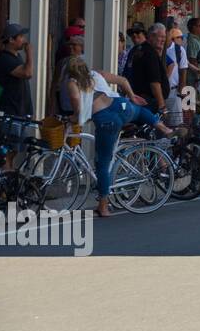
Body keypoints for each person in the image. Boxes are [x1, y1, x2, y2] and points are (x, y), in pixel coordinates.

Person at [64, 56, 173, 217]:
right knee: (138, 111)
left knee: (102, 163)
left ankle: (103, 206)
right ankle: (163, 127)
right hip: (120, 105)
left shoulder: (73, 83)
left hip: (106, 119)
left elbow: (77, 106)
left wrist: (73, 118)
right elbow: (122, 80)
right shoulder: (96, 74)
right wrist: (132, 95)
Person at [125, 22, 168, 116]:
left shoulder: (138, 51)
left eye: (164, 37)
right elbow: (154, 82)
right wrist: (162, 106)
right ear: (150, 36)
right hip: (147, 102)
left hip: (138, 100)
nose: (163, 40)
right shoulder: (148, 52)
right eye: (160, 37)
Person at [0, 22, 34, 122]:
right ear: (11, 40)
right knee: (12, 138)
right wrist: (29, 54)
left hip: (20, 112)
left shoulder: (16, 56)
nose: (24, 40)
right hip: (11, 113)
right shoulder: (5, 59)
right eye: (20, 36)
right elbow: (27, 73)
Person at [164, 26, 189, 125]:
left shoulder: (179, 50)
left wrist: (182, 87)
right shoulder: (157, 49)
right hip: (157, 91)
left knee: (175, 123)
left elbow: (183, 69)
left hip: (173, 90)